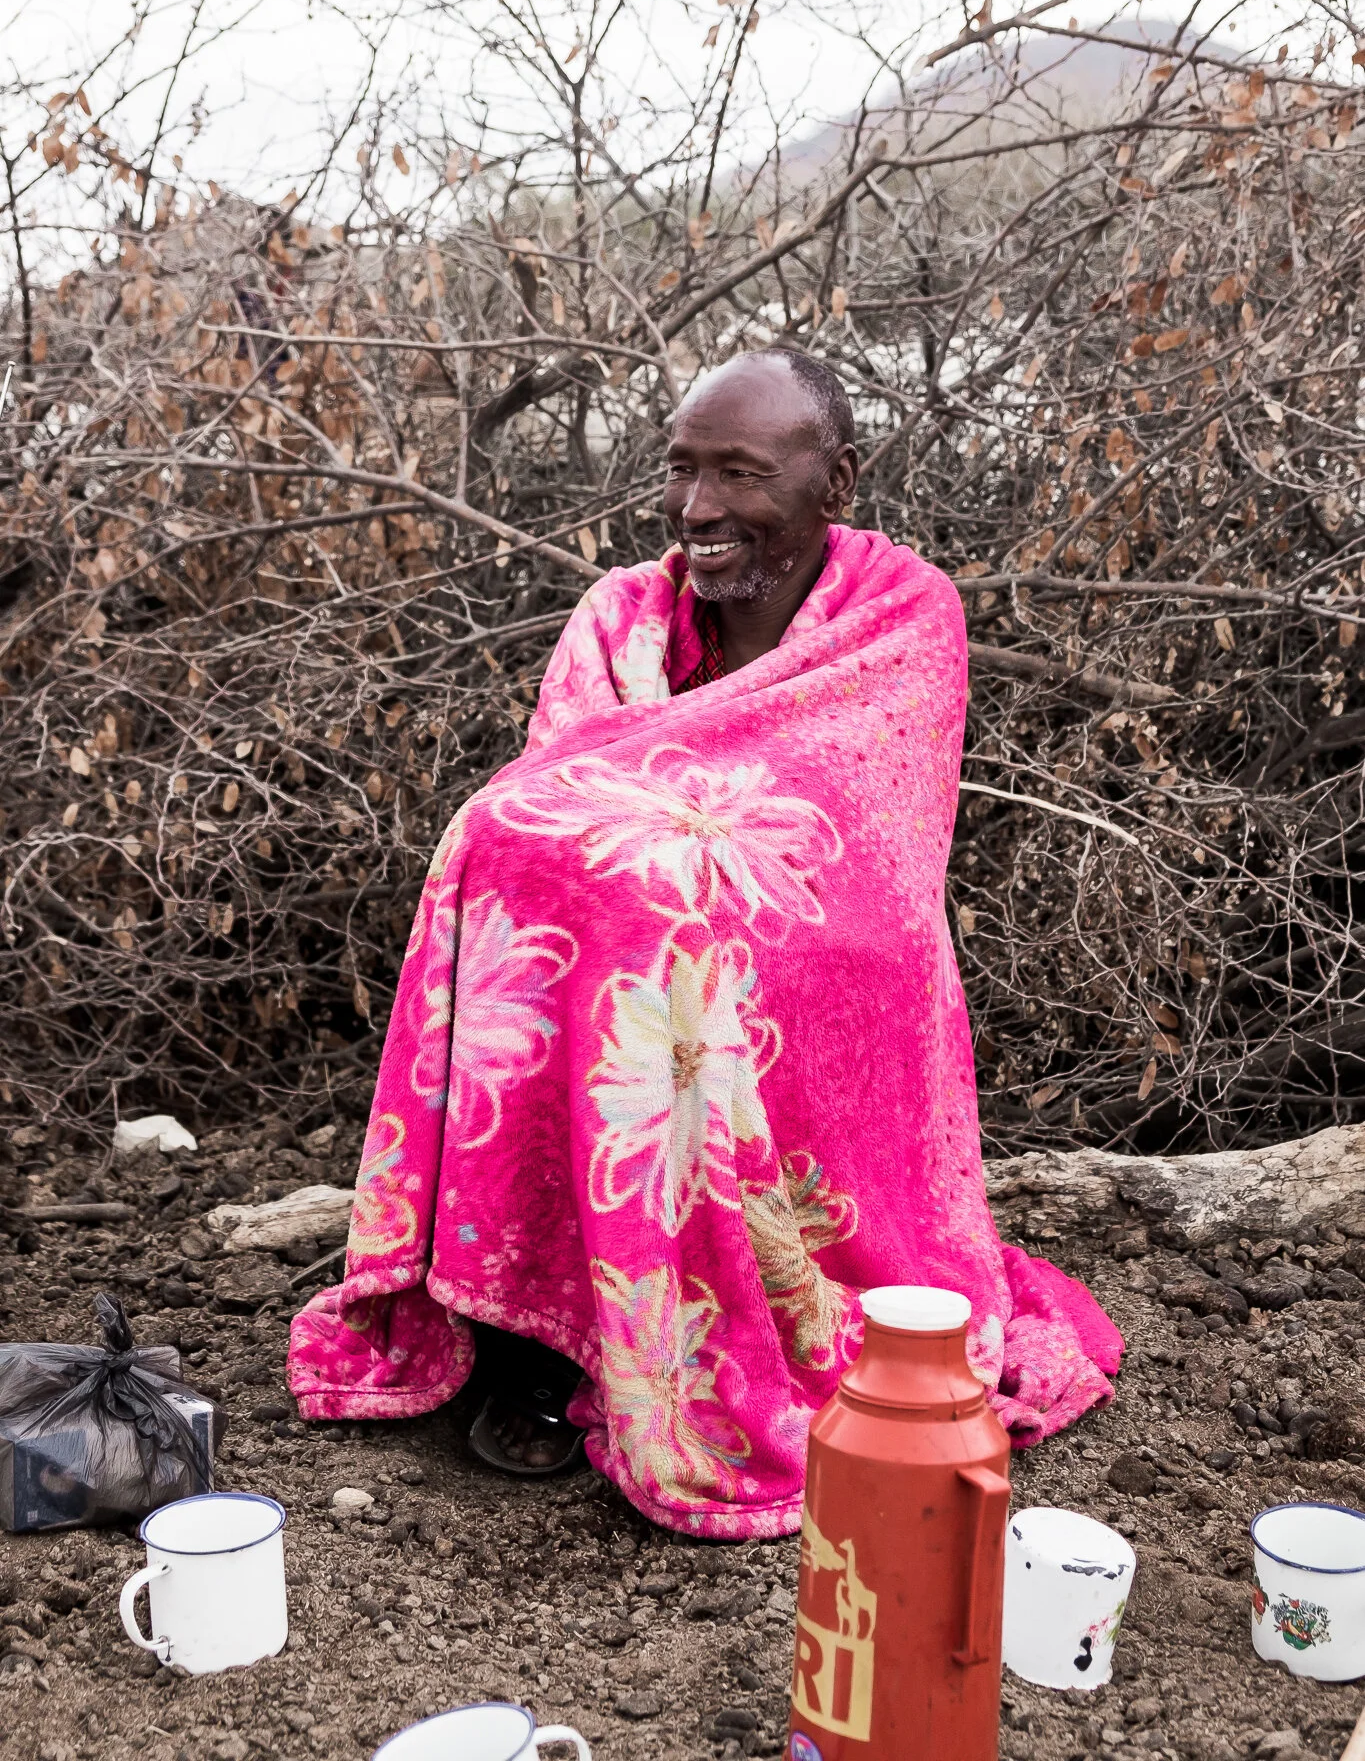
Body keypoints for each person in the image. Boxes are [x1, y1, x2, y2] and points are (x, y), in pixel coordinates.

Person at [288, 348, 1121, 1539]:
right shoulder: (621, 614)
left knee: (659, 926)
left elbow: (859, 844)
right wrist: (641, 863)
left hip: (835, 964)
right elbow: (543, 808)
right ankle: (543, 1321)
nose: (698, 507)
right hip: (648, 950)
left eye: (740, 471)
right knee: (511, 864)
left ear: (836, 477)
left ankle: (683, 1335)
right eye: (682, 469)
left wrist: (668, 869)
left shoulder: (905, 610)